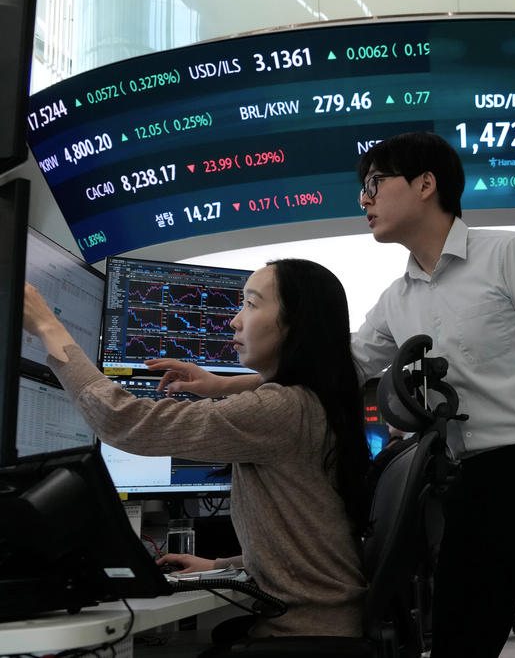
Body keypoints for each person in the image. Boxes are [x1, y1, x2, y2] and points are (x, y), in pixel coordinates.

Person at [152, 132, 515, 658]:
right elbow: (337, 370)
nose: (365, 199)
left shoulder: (509, 254)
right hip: (469, 484)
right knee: (457, 647)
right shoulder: (395, 300)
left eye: (375, 183)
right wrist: (223, 384)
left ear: (426, 184)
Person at [21, 259, 370, 639]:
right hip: (324, 625)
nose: (235, 321)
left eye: (251, 305)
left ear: (297, 323)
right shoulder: (317, 402)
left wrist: (49, 328)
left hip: (303, 634)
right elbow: (310, 545)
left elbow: (123, 421)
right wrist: (221, 564)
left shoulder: (282, 409)